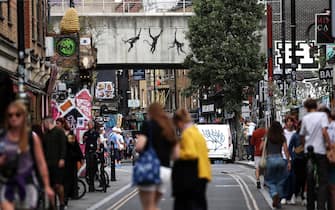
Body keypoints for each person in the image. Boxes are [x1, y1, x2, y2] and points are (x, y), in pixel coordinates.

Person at [0, 100, 54, 210]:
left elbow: (41, 162)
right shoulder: (3, 137)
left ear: (23, 116)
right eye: (10, 115)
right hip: (7, 182)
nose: (13, 118)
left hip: (27, 182)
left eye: (17, 115)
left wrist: (47, 186)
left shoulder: (31, 137)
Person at [135, 103, 177, 210]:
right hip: (165, 170)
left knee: (148, 206)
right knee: (153, 205)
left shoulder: (148, 124)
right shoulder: (169, 126)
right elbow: (176, 154)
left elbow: (139, 146)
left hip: (150, 168)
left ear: (150, 112)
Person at [173, 108, 212, 210]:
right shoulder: (196, 132)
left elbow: (191, 153)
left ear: (180, 122)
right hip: (204, 172)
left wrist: (177, 153)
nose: (177, 127)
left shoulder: (187, 133)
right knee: (200, 204)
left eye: (176, 125)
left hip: (196, 174)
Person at [300, 99, 331, 210]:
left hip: (308, 152)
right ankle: (321, 206)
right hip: (320, 151)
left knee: (309, 181)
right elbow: (324, 132)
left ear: (306, 108)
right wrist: (329, 145)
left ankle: (310, 206)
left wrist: (304, 145)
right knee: (323, 181)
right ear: (316, 106)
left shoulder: (305, 118)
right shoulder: (322, 115)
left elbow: (302, 135)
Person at [56, 118, 83, 206]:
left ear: (63, 124)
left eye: (58, 123)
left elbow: (73, 146)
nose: (57, 125)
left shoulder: (69, 134)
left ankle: (65, 197)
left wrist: (79, 157)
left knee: (67, 180)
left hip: (69, 160)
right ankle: (62, 198)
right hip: (60, 159)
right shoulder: (56, 134)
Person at [264, 121, 291, 209]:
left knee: (269, 181)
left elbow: (261, 148)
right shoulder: (282, 137)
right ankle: (278, 198)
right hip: (280, 159)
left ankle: (274, 194)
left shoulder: (268, 137)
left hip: (270, 159)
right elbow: (286, 150)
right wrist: (288, 161)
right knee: (280, 180)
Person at [43, 116, 67, 210]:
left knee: (58, 184)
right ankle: (52, 204)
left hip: (58, 163)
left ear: (48, 122)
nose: (44, 125)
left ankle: (61, 202)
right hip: (48, 163)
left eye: (44, 123)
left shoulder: (59, 132)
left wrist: (62, 158)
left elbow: (63, 146)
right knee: (50, 185)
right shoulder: (46, 134)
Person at [288, 121, 307, 206]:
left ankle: (303, 197)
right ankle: (294, 195)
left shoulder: (307, 136)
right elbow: (289, 148)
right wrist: (293, 156)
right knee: (296, 179)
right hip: (297, 161)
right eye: (300, 126)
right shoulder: (295, 136)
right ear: (298, 126)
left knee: (304, 179)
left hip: (305, 159)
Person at [282, 115, 296, 205]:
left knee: (293, 178)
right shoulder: (283, 133)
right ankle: (284, 196)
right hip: (284, 157)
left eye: (291, 121)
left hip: (294, 157)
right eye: (287, 121)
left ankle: (292, 195)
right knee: (285, 178)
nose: (289, 123)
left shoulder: (296, 133)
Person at [83, 121, 100, 192]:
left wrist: (98, 149)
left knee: (93, 166)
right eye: (87, 125)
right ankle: (88, 177)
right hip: (87, 151)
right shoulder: (86, 133)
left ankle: (95, 176)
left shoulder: (96, 133)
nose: (88, 126)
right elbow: (83, 141)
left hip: (94, 151)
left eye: (89, 125)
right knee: (88, 166)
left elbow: (98, 141)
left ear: (92, 125)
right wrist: (84, 138)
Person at [250, 119, 266, 189]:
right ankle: (265, 181)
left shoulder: (255, 132)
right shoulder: (267, 132)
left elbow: (252, 143)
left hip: (257, 153)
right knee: (265, 168)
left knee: (257, 168)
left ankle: (258, 181)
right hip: (266, 153)